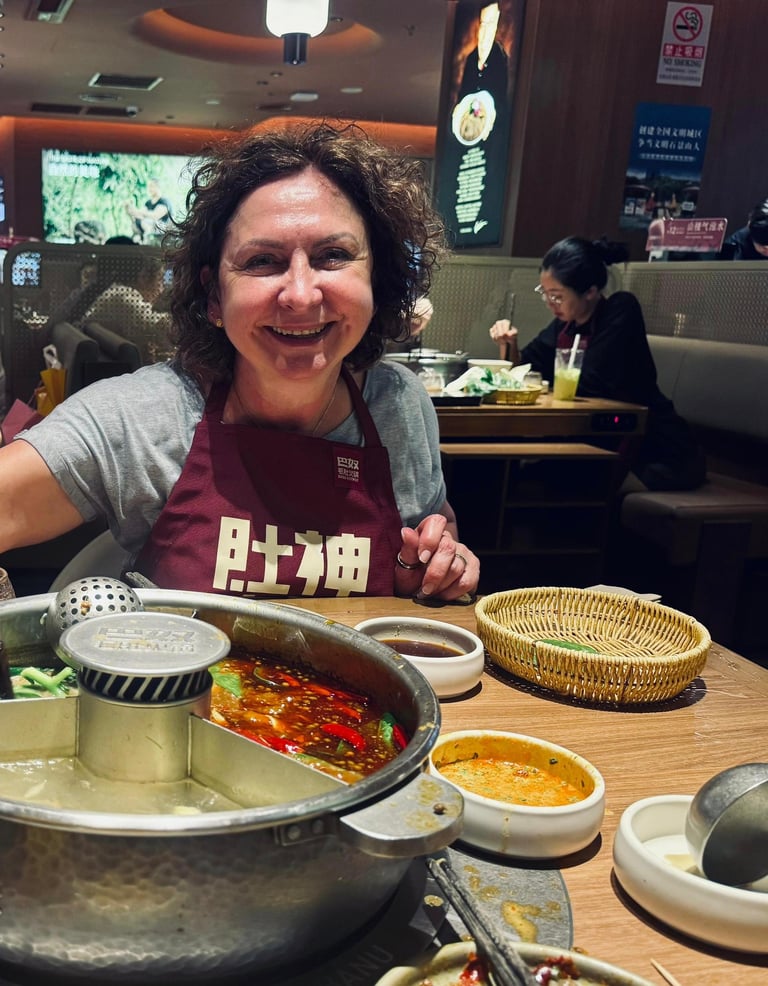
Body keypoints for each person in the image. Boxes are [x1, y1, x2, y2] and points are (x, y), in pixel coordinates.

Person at [0, 123, 479, 602]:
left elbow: (432, 532)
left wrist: (436, 565)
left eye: (333, 255)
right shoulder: (144, 417)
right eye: (262, 261)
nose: (300, 295)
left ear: (377, 278)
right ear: (214, 296)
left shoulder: (398, 403)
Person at [489, 236, 706, 491]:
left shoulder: (621, 310)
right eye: (544, 294)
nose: (549, 303)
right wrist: (509, 344)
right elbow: (525, 368)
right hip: (594, 440)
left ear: (590, 292)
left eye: (556, 296)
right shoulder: (565, 324)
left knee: (540, 484)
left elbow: (592, 383)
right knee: (513, 475)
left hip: (655, 452)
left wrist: (537, 382)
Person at [124, 177, 174, 244]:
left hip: (162, 237)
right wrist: (129, 208)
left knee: (148, 223)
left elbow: (155, 216)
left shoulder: (165, 202)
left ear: (158, 187)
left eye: (151, 186)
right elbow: (138, 215)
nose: (149, 189)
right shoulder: (148, 203)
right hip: (148, 234)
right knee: (136, 224)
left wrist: (141, 213)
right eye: (148, 186)